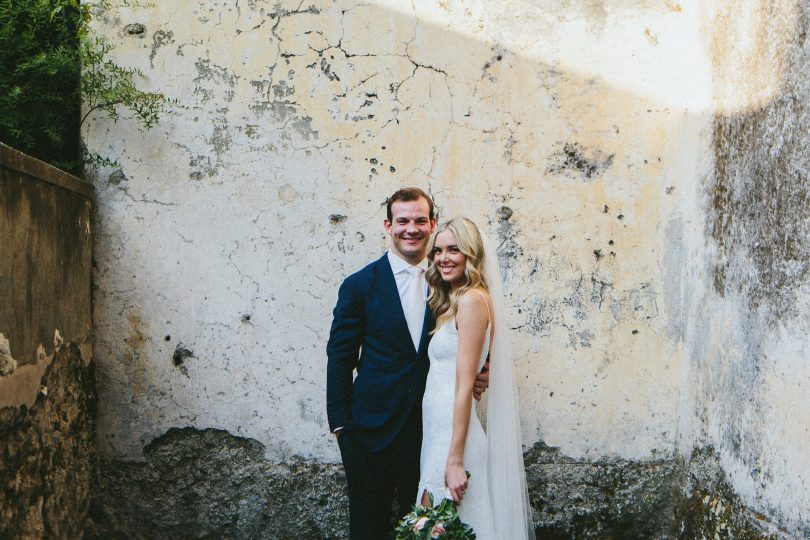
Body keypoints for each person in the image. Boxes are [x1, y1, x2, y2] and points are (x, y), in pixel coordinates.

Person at [326, 188, 489, 540]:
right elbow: (339, 356)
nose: (411, 229)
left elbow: (469, 337)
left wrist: (482, 370)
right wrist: (341, 426)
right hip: (369, 432)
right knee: (367, 529)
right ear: (388, 225)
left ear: (431, 224)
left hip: (427, 432)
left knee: (421, 528)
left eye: (419, 220)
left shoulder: (448, 280)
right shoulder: (359, 285)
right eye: (402, 221)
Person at [418, 217, 535, 539]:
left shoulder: (471, 300)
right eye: (438, 251)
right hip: (439, 430)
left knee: (452, 525)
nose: (443, 258)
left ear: (471, 253)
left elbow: (464, 384)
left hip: (454, 436)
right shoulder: (457, 300)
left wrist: (455, 459)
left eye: (454, 250)